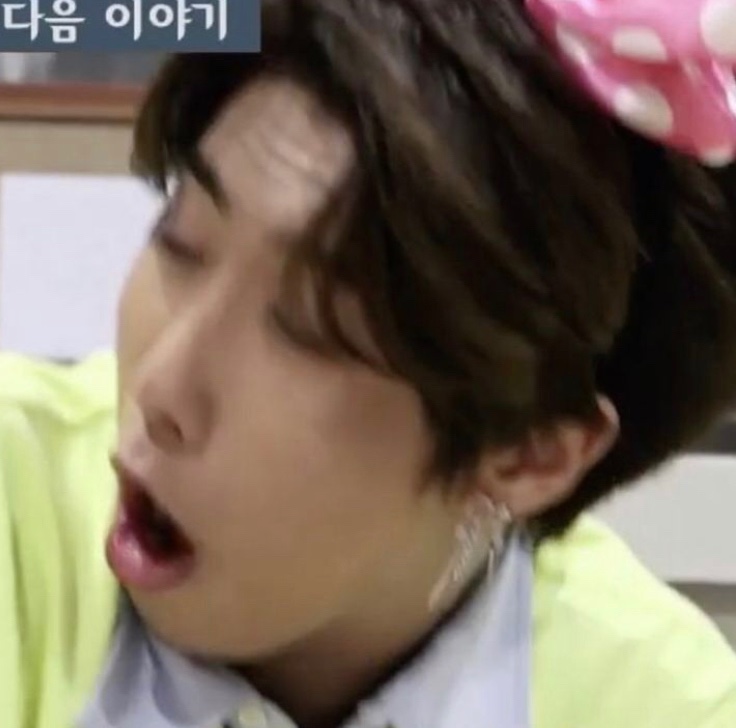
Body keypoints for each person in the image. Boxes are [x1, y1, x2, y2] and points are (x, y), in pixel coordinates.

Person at [3, 1, 736, 727]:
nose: (160, 389)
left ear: (529, 453)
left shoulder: (666, 704)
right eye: (179, 241)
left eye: (304, 330)